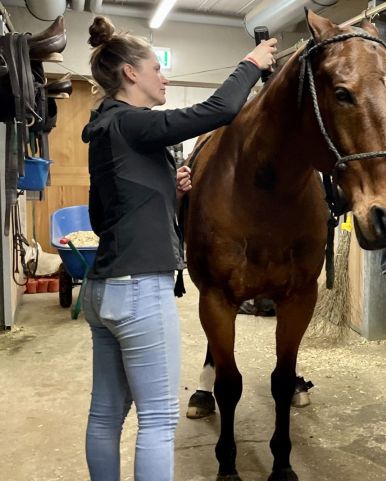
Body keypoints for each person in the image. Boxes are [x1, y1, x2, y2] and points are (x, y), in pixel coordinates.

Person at [79, 15, 276, 481]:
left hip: (101, 290)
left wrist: (172, 189)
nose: (163, 77)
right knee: (159, 420)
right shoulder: (133, 121)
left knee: (106, 414)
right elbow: (219, 110)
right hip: (140, 292)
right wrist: (251, 62)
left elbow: (102, 217)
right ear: (131, 73)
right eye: (156, 69)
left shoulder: (106, 128)